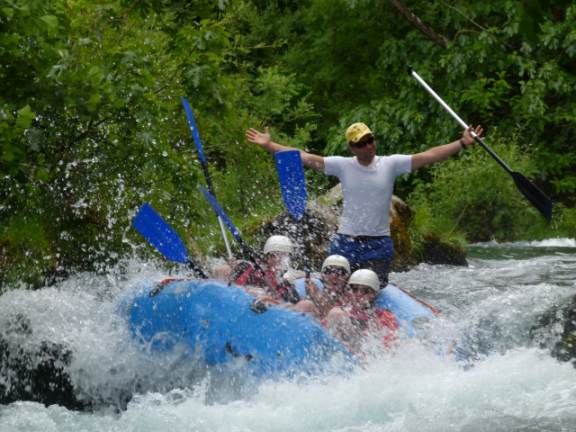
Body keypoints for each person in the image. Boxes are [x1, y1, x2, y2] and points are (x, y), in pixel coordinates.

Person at [246, 122, 483, 287]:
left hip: (378, 244)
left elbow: (429, 155)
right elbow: (302, 156)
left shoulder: (391, 164)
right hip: (345, 241)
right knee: (334, 286)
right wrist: (270, 145)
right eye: (360, 144)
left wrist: (461, 143)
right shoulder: (342, 165)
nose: (367, 146)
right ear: (352, 147)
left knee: (370, 289)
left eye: (370, 140)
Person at [323, 269, 398, 354]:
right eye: (355, 289)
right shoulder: (340, 312)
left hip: (365, 356)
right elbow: (324, 334)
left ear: (374, 294)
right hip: (342, 352)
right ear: (349, 291)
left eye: (365, 291)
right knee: (335, 314)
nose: (359, 294)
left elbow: (389, 347)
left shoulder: (383, 317)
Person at [229, 234, 301, 303]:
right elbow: (234, 285)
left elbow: (289, 303)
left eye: (283, 256)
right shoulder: (252, 267)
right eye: (274, 255)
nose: (278, 260)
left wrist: (270, 299)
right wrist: (233, 268)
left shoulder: (285, 279)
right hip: (249, 296)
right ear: (266, 255)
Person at [291, 254, 351, 319]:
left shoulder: (352, 296)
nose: (333, 275)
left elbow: (333, 315)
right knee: (305, 305)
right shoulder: (310, 286)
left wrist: (317, 297)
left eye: (340, 272)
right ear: (322, 275)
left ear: (347, 277)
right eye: (328, 271)